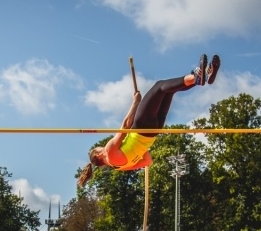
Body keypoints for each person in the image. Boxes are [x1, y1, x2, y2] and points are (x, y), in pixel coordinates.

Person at [77, 54, 220, 187]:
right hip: (141, 127)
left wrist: (137, 149)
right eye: (99, 148)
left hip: (153, 132)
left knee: (169, 90)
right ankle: (197, 78)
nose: (102, 146)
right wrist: (135, 102)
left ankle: (201, 78)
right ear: (99, 154)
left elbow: (147, 161)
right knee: (159, 87)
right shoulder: (109, 152)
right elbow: (126, 126)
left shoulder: (120, 167)